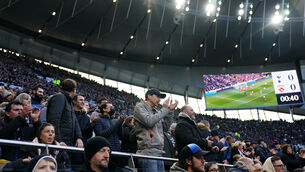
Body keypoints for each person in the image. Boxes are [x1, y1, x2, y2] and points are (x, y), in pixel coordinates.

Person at [134, 88, 178, 172]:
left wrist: (170, 112)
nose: (160, 99)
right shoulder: (140, 106)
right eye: (157, 96)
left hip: (159, 152)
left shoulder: (156, 111)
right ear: (149, 96)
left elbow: (165, 128)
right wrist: (164, 109)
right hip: (148, 152)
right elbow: (149, 122)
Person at [46, 78, 83, 147]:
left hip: (68, 142)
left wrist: (79, 137)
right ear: (74, 90)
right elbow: (54, 121)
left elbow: (75, 121)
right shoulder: (59, 97)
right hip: (61, 143)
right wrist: (58, 141)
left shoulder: (69, 101)